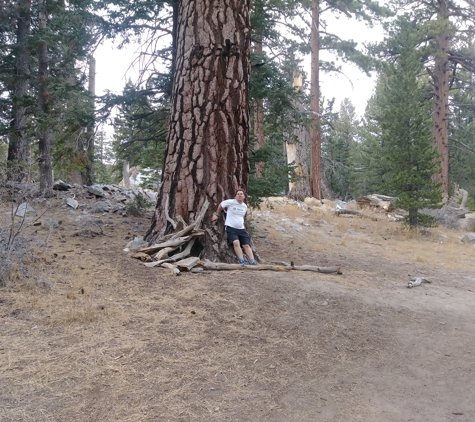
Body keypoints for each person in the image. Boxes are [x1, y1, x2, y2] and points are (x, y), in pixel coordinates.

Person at [211, 189, 258, 265]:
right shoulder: (231, 202)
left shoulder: (244, 206)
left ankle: (252, 260)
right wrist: (217, 215)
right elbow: (221, 205)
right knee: (236, 242)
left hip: (241, 228)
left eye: (241, 194)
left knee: (246, 245)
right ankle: (241, 260)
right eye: (238, 194)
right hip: (231, 227)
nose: (239, 195)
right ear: (235, 196)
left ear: (244, 196)